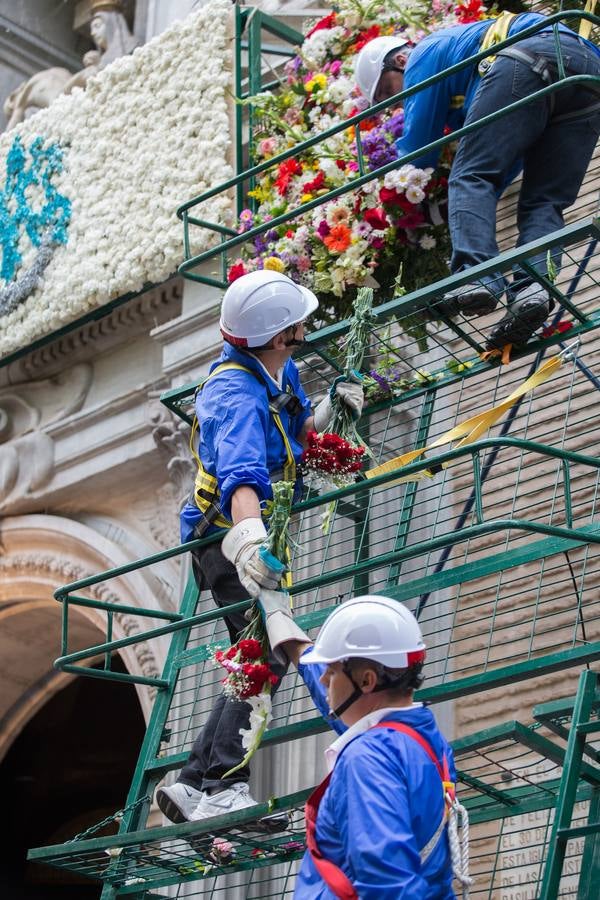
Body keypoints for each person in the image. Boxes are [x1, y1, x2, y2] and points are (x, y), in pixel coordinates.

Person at [156, 269, 364, 825]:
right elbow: (242, 479)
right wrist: (249, 548)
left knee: (256, 652)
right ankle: (224, 784)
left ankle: (193, 784)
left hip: (246, 530)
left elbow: (294, 434)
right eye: (297, 322)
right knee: (263, 652)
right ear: (279, 336)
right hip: (226, 534)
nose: (305, 325)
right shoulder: (233, 393)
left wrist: (329, 410)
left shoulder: (277, 368)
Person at [354, 12, 600, 351]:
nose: (396, 104)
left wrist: (392, 187)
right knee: (545, 201)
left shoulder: (424, 54)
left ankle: (477, 277)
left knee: (468, 175)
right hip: (588, 74)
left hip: (529, 56)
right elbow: (504, 161)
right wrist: (445, 209)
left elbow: (419, 148)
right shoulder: (464, 74)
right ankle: (533, 289)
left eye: (386, 92)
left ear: (399, 60)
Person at [257, 590, 461, 898]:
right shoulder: (427, 745)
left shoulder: (368, 757)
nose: (324, 679)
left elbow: (387, 882)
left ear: (366, 681)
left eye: (332, 670)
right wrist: (287, 634)